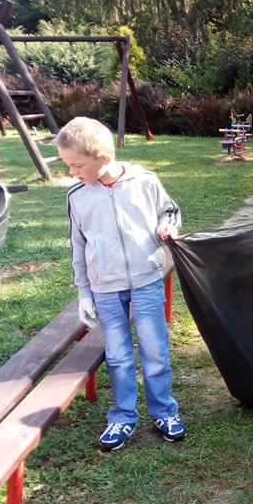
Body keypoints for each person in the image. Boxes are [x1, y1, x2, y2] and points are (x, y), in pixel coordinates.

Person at [57, 117, 184, 451]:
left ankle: (164, 411)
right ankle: (123, 416)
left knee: (155, 352)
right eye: (68, 165)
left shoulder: (145, 180)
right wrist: (85, 294)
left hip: (146, 281)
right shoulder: (77, 195)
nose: (72, 172)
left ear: (103, 158)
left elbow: (169, 211)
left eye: (76, 165)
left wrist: (168, 226)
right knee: (118, 357)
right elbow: (79, 247)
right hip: (105, 289)